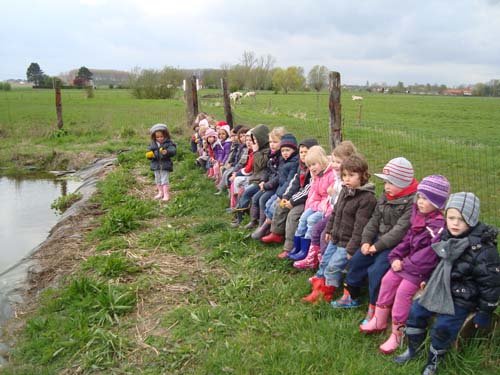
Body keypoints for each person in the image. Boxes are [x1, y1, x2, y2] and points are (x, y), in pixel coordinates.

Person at [393, 192, 500, 375]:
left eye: (461, 219)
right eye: (451, 218)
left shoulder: (483, 250)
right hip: (440, 288)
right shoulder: (447, 237)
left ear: (472, 220)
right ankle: (413, 349)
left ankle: (434, 361)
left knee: (443, 327)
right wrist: (429, 279)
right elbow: (440, 265)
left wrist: (485, 312)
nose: (455, 223)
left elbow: (491, 284)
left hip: (463, 296)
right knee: (416, 311)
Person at [359, 175, 451, 355]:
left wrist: (404, 263)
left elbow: (429, 255)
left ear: (438, 203)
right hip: (404, 265)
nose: (421, 201)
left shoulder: (438, 226)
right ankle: (379, 319)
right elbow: (407, 241)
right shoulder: (419, 217)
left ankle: (397, 333)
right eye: (420, 197)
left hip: (419, 271)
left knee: (403, 293)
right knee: (387, 281)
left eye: (426, 198)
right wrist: (394, 257)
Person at [331, 157, 418, 324]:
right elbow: (374, 219)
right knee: (356, 261)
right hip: (377, 240)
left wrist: (377, 246)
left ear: (403, 183)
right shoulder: (387, 195)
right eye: (385, 183)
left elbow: (399, 231)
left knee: (376, 271)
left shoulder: (411, 203)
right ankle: (351, 296)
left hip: (395, 246)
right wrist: (365, 241)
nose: (385, 187)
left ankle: (375, 308)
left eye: (390, 183)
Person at [301, 154, 377, 303]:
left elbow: (360, 227)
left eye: (351, 175)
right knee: (325, 262)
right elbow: (335, 212)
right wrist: (329, 230)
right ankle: (318, 287)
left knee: (333, 267)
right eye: (344, 175)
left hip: (348, 242)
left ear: (363, 175)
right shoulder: (344, 190)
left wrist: (351, 249)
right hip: (336, 237)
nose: (346, 179)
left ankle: (326, 294)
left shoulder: (367, 199)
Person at [294, 141, 357, 269]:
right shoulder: (336, 178)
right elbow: (317, 194)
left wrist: (332, 195)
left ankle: (323, 263)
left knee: (321, 231)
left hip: (337, 215)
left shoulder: (345, 181)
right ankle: (308, 255)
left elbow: (341, 204)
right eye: (333, 161)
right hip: (332, 212)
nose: (334, 165)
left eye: (338, 162)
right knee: (311, 224)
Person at [260, 139, 318, 257]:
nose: (303, 155)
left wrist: (292, 201)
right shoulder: (301, 166)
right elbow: (294, 182)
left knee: (294, 214)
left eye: (306, 152)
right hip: (299, 196)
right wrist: (286, 197)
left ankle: (289, 247)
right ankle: (276, 233)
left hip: (308, 200)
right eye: (301, 152)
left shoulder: (314, 168)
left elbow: (308, 189)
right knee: (281, 205)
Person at [287, 145, 335, 262]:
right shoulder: (316, 177)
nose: (312, 168)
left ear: (322, 161)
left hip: (326, 209)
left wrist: (318, 207)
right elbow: (313, 195)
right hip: (318, 205)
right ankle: (298, 247)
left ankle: (307, 250)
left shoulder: (331, 175)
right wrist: (311, 206)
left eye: (314, 164)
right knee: (303, 218)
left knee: (311, 220)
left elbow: (330, 199)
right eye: (309, 166)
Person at [251, 133, 299, 240]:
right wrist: (264, 181)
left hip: (284, 192)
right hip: (279, 190)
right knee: (268, 203)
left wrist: (281, 195)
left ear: (294, 150)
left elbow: (289, 181)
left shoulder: (294, 163)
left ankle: (267, 229)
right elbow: (270, 171)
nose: (285, 153)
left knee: (274, 205)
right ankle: (263, 226)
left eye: (288, 150)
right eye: (283, 151)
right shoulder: (283, 160)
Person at [244, 127, 286, 230]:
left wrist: (267, 185)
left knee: (263, 199)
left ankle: (262, 226)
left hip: (274, 186)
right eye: (270, 141)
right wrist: (263, 180)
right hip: (267, 183)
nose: (272, 144)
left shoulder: (281, 157)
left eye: (275, 142)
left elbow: (279, 175)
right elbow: (267, 170)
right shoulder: (272, 155)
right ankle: (253, 220)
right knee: (255, 198)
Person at [231, 124, 270, 228]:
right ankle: (239, 217)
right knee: (243, 193)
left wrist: (256, 151)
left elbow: (261, 164)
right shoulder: (258, 150)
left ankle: (243, 219)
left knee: (247, 193)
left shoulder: (266, 151)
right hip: (255, 178)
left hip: (260, 180)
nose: (253, 144)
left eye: (255, 141)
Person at [146, 123, 176, 201]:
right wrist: (150, 155)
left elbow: (173, 150)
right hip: (156, 165)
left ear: (165, 135)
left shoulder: (169, 143)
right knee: (157, 179)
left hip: (165, 164)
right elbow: (149, 151)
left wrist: (167, 152)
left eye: (161, 136)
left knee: (164, 179)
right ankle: (160, 192)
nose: (160, 138)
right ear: (154, 137)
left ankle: (166, 193)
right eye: (157, 137)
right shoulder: (152, 144)